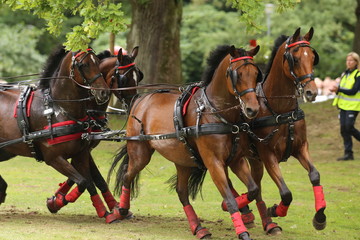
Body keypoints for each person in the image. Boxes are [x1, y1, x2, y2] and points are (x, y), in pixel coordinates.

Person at [330, 52, 360, 161]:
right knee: (343, 129)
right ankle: (348, 154)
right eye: (347, 60)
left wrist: (339, 90)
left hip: (353, 106)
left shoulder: (358, 75)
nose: (349, 62)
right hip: (343, 106)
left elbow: (353, 91)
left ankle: (349, 152)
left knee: (349, 127)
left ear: (356, 62)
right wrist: (335, 89)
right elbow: (342, 88)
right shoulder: (344, 74)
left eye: (351, 60)